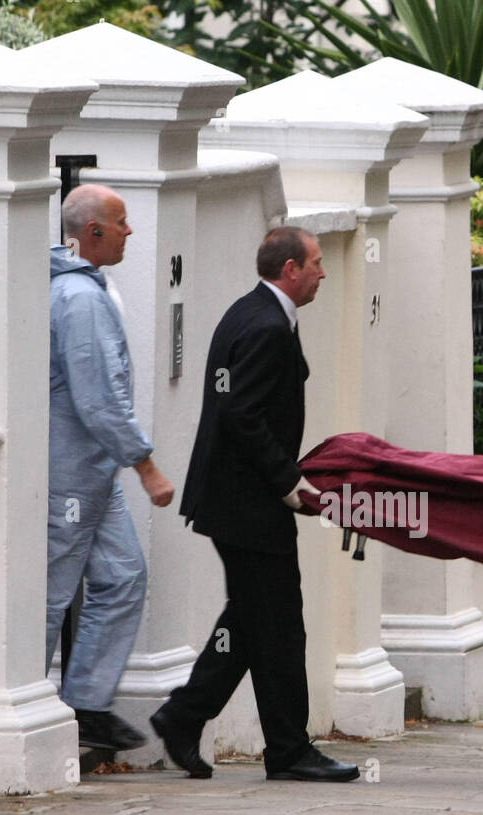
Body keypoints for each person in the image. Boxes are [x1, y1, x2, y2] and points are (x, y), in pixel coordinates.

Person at [149, 226, 358, 783]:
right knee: (281, 625)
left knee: (252, 623)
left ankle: (183, 717)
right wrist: (292, 484)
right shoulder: (266, 326)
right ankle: (288, 751)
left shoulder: (251, 311)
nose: (322, 271)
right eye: (315, 263)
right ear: (290, 269)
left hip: (236, 502)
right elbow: (244, 417)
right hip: (247, 506)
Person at [47, 184, 176, 752]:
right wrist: (146, 466)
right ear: (93, 232)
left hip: (91, 475)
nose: (131, 232)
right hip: (68, 476)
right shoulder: (79, 299)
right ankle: (31, 713)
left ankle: (86, 706)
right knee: (49, 598)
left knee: (123, 577)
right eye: (121, 223)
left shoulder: (86, 290)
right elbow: (97, 398)